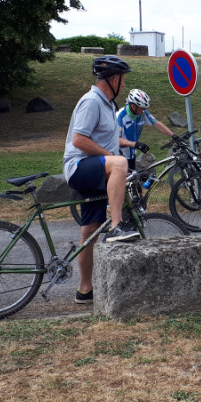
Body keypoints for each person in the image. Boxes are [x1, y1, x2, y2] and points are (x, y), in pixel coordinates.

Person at [63, 55, 138, 305]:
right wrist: (112, 159)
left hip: (95, 169)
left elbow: (108, 139)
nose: (124, 85)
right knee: (118, 163)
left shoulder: (106, 105)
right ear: (114, 80)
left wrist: (120, 154)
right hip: (79, 167)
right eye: (123, 80)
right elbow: (79, 140)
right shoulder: (91, 101)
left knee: (90, 231)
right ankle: (116, 225)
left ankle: (84, 290)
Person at [116, 88, 174, 170]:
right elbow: (117, 140)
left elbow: (157, 124)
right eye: (142, 108)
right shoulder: (120, 116)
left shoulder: (142, 113)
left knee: (132, 176)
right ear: (134, 106)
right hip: (118, 155)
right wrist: (135, 144)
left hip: (131, 154)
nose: (144, 110)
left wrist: (173, 135)